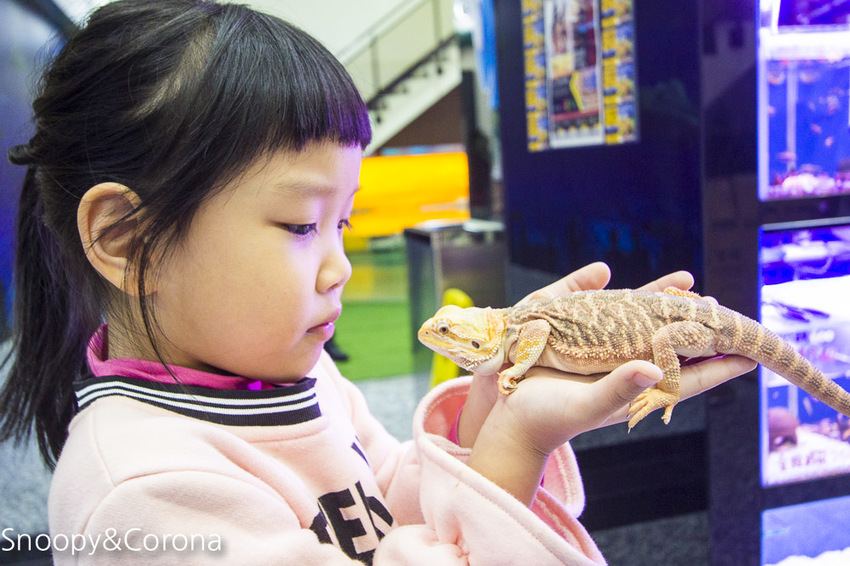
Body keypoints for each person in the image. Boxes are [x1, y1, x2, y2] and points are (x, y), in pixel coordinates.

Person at [0, 1, 756, 563]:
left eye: (344, 224)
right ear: (129, 241)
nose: (342, 266)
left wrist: (494, 407)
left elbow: (389, 491)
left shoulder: (301, 371)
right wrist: (516, 447)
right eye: (301, 226)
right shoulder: (145, 496)